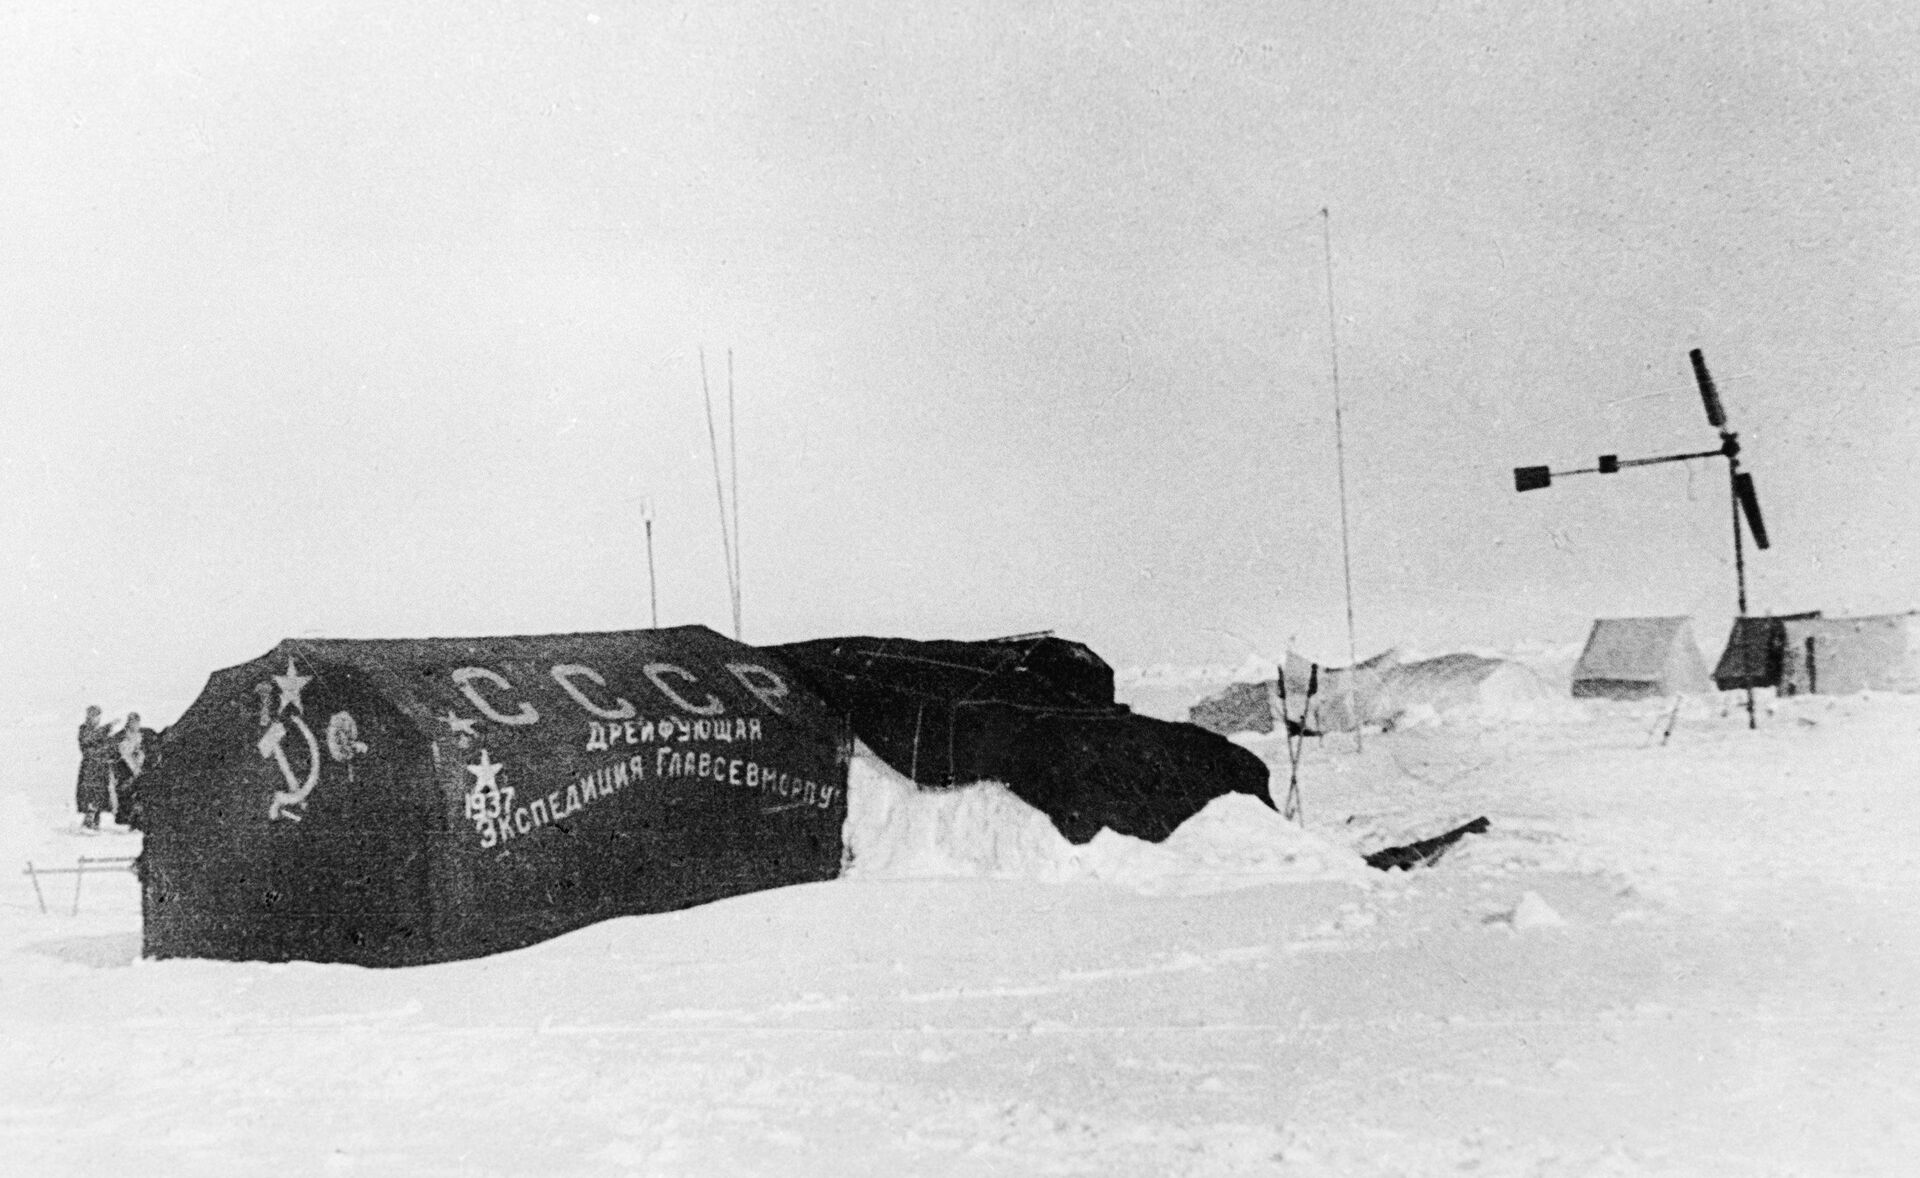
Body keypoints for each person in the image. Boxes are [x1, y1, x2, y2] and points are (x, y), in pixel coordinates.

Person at [111, 712, 159, 829]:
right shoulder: (122, 736)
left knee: (140, 794)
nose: (135, 725)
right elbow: (122, 753)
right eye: (132, 722)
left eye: (137, 722)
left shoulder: (142, 735)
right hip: (125, 770)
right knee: (127, 793)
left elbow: (144, 750)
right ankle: (127, 819)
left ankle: (137, 820)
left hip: (139, 769)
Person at [75, 706, 115, 830]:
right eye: (93, 716)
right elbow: (88, 745)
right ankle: (88, 821)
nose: (96, 719)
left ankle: (95, 821)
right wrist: (107, 728)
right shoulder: (84, 730)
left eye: (98, 716)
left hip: (101, 768)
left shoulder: (101, 732)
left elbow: (109, 747)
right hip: (89, 769)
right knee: (89, 795)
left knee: (100, 795)